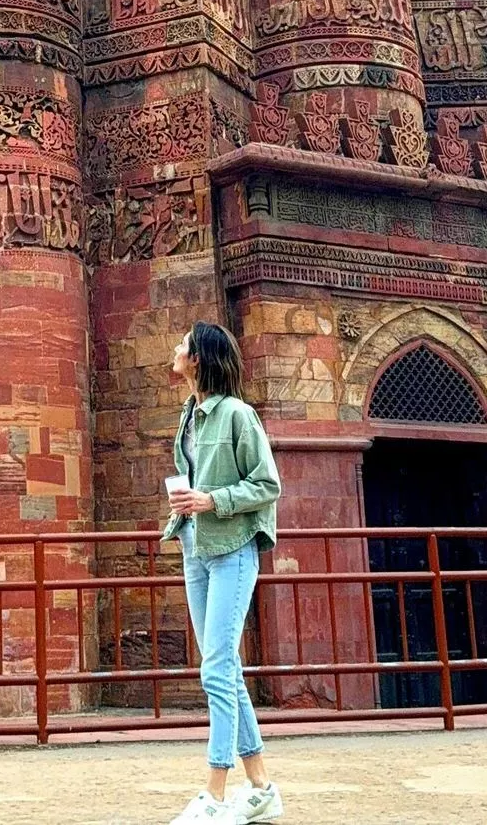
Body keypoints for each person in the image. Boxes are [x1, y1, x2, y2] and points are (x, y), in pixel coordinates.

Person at [162, 322, 283, 825]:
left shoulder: (237, 414)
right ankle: (262, 789)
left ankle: (214, 793)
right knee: (224, 668)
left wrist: (212, 500)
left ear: (199, 358)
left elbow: (268, 484)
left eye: (184, 344)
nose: (176, 349)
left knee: (215, 667)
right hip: (196, 547)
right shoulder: (189, 415)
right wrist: (186, 503)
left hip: (232, 548)